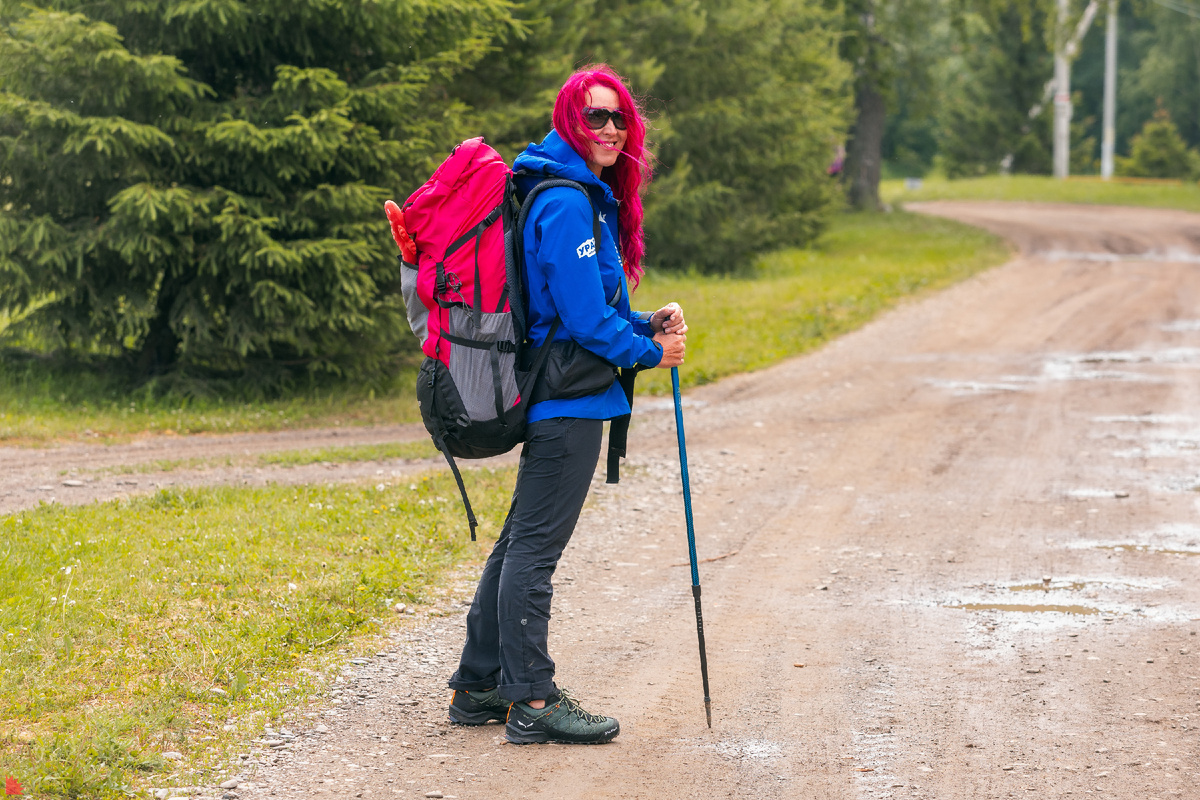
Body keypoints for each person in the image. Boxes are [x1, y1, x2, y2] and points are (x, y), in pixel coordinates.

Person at [445, 65, 687, 745]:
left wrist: (644, 323)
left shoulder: (571, 190)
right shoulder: (566, 202)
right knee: (534, 552)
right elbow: (583, 322)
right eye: (595, 117)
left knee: (519, 541)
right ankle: (533, 700)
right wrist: (650, 352)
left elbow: (581, 311)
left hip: (559, 386)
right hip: (569, 399)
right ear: (568, 122)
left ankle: (481, 684)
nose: (610, 129)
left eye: (619, 118)